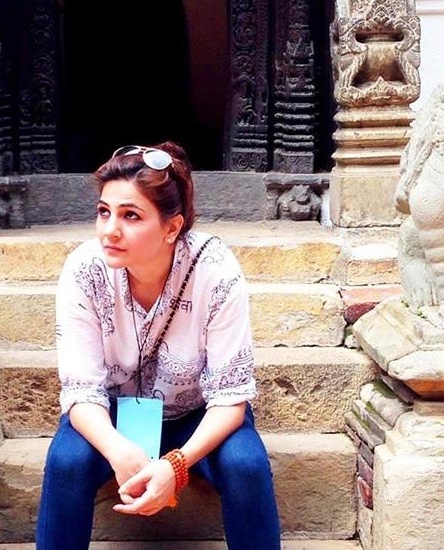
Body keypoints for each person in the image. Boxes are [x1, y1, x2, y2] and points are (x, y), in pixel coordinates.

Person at [35, 142, 281, 550]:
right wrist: (117, 451)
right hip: (112, 414)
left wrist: (177, 465)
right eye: (103, 212)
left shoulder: (215, 270)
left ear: (172, 227)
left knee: (246, 464)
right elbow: (81, 392)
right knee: (67, 461)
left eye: (130, 215)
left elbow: (230, 399)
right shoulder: (84, 270)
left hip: (196, 413)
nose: (110, 229)